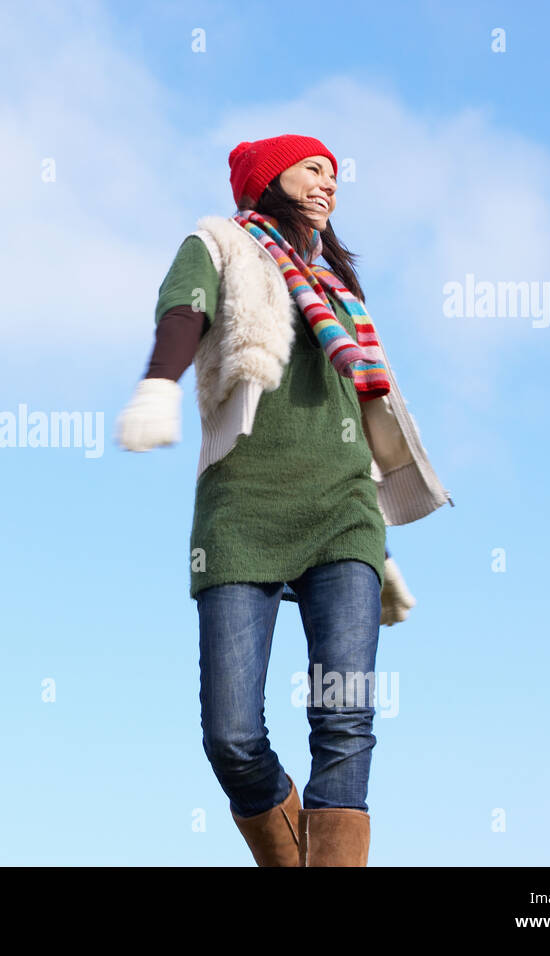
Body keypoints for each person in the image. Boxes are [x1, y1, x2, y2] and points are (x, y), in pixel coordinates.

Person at [115, 135, 452, 866]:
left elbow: (361, 419)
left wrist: (380, 551)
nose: (329, 183)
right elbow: (184, 309)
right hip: (242, 511)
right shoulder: (220, 243)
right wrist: (156, 383)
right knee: (230, 735)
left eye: (335, 173)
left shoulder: (337, 288)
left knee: (345, 717)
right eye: (313, 169)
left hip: (344, 518)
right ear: (270, 179)